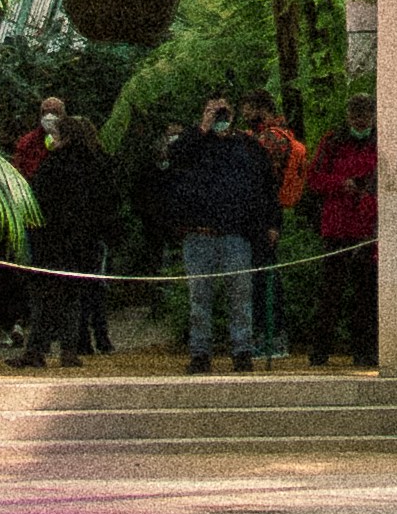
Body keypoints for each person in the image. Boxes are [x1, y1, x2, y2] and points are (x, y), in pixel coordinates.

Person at [153, 91, 279, 373]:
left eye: (225, 112)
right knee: (200, 298)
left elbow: (267, 187)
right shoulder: (193, 143)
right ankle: (200, 353)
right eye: (215, 111)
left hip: (237, 234)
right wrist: (203, 127)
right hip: (199, 234)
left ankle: (242, 351)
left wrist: (272, 225)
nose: (221, 117)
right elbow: (171, 159)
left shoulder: (248, 146)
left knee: (240, 296)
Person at [18, 118, 121, 365]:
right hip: (82, 241)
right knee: (72, 296)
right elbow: (107, 202)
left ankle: (38, 350)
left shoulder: (55, 164)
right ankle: (68, 350)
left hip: (54, 240)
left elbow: (37, 201)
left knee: (47, 297)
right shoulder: (96, 163)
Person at [306, 96, 379, 368]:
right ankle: (320, 350)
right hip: (336, 227)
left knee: (366, 294)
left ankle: (365, 350)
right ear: (348, 115)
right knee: (330, 292)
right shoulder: (333, 141)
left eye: (365, 114)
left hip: (367, 228)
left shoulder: (381, 141)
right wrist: (340, 183)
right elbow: (314, 179)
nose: (360, 119)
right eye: (356, 114)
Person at [0, 90, 69, 352]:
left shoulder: (72, 141)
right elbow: (19, 175)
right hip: (32, 218)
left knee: (60, 277)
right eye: (45, 112)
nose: (49, 116)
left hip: (61, 220)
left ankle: (59, 331)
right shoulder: (28, 142)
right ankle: (21, 325)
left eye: (55, 112)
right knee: (28, 272)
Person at [242, 92, 309, 362]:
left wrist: (271, 223)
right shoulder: (281, 135)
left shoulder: (269, 140)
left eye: (248, 108)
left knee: (264, 279)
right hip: (269, 215)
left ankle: (271, 337)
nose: (245, 114)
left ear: (261, 109)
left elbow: (265, 184)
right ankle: (271, 336)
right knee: (264, 277)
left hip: (264, 217)